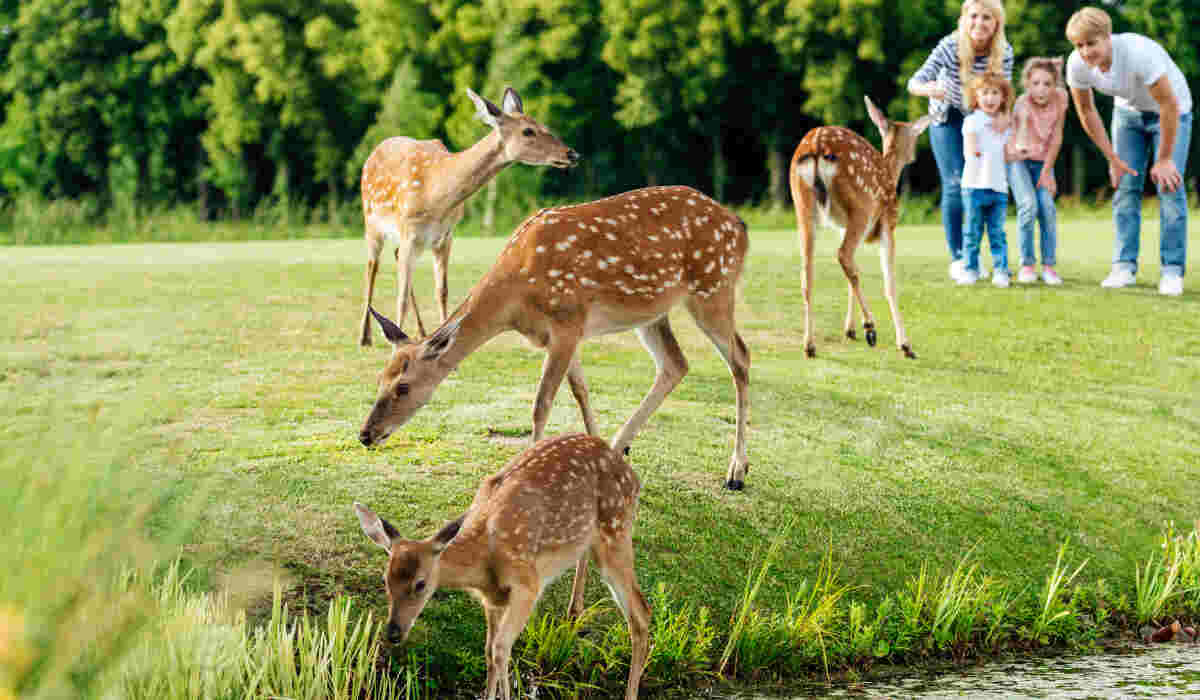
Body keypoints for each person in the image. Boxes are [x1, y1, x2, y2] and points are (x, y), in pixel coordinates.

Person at [1065, 7, 1192, 296]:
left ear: (1107, 37)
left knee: (1169, 185)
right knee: (1124, 186)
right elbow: (1086, 111)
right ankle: (1124, 266)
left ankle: (1172, 271)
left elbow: (1169, 105)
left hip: (1171, 112)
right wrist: (1112, 157)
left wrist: (1164, 159)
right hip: (1127, 115)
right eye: (1079, 45)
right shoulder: (1077, 64)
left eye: (1091, 43)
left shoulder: (1138, 53)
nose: (1085, 51)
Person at [908, 0, 1013, 283]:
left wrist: (1005, 117)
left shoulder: (1004, 52)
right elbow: (914, 81)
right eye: (974, 16)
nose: (979, 23)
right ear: (964, 19)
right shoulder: (949, 46)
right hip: (948, 117)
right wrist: (929, 88)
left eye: (987, 18)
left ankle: (977, 257)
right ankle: (959, 257)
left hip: (983, 119)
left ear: (996, 23)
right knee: (956, 183)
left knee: (984, 185)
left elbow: (1005, 92)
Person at [1006, 58, 1069, 285]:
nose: (1041, 89)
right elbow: (1019, 142)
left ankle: (1049, 266)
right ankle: (1027, 265)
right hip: (1018, 160)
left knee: (1048, 208)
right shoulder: (1022, 103)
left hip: (1043, 162)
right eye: (1035, 83)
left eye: (1047, 83)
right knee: (1028, 206)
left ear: (1055, 85)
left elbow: (1056, 136)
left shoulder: (1061, 98)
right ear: (1026, 84)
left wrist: (1047, 171)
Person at [959, 73, 1014, 287]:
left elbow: (1008, 153)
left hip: (999, 187)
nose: (990, 98)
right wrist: (975, 151)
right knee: (972, 232)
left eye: (995, 93)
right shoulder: (972, 121)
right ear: (976, 97)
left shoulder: (1005, 124)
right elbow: (970, 149)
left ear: (1003, 97)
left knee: (997, 233)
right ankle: (970, 269)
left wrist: (1018, 151)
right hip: (974, 186)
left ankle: (1001, 270)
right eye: (984, 93)